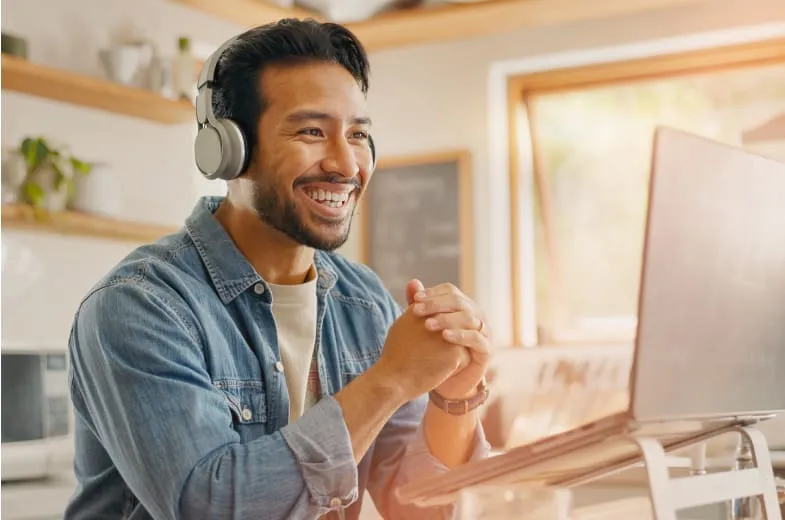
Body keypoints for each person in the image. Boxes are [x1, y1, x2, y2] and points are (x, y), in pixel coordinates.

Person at [65, 18, 492, 520]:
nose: (346, 164)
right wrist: (389, 379)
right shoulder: (140, 306)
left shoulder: (364, 301)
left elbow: (415, 507)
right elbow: (212, 509)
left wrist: (455, 397)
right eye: (312, 131)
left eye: (357, 134)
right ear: (228, 149)